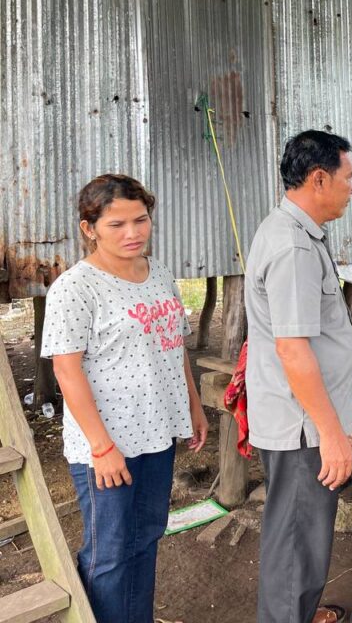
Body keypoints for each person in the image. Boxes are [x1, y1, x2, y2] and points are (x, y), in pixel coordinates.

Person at [41, 174, 208, 623]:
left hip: (158, 432)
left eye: (141, 219)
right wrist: (101, 447)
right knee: (110, 552)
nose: (133, 232)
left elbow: (175, 346)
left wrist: (192, 406)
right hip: (107, 444)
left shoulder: (160, 273)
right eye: (117, 224)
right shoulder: (75, 288)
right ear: (89, 228)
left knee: (148, 535)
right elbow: (67, 370)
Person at [245, 131, 352, 623]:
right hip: (302, 426)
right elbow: (293, 350)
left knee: (301, 533)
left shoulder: (294, 232)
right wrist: (330, 433)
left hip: (303, 418)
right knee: (297, 539)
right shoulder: (293, 246)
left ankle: (297, 612)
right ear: (319, 179)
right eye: (348, 177)